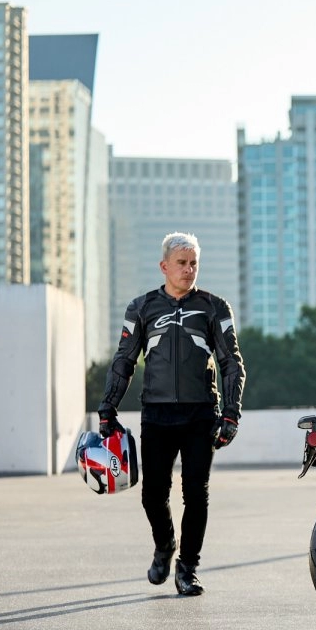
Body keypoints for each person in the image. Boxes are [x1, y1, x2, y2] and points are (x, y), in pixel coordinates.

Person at [98, 232, 245, 596]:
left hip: (201, 414)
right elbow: (124, 361)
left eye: (194, 263)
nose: (188, 269)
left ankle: (188, 568)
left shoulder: (214, 307)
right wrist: (107, 408)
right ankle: (165, 546)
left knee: (196, 494)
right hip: (156, 415)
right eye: (181, 263)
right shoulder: (141, 307)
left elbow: (231, 362)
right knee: (152, 495)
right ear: (164, 266)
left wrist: (231, 413)